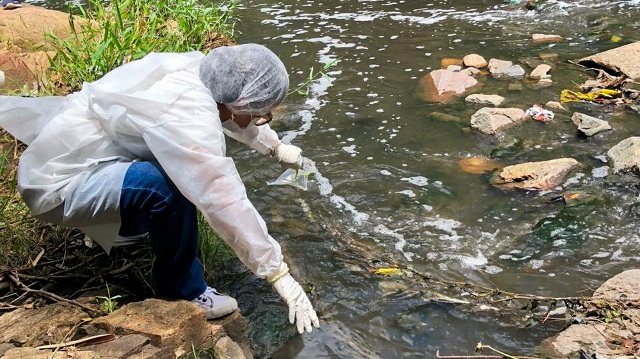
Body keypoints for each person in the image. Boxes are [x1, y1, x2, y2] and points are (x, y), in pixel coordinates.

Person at [0, 43, 320, 334]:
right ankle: (184, 291)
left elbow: (229, 114)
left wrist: (274, 147)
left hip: (83, 157)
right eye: (261, 112)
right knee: (170, 187)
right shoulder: (188, 114)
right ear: (240, 101)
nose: (263, 118)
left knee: (169, 176)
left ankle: (121, 226)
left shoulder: (201, 72)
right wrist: (277, 272)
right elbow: (224, 200)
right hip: (62, 184)